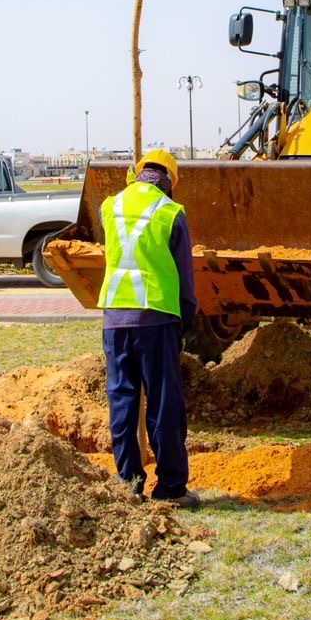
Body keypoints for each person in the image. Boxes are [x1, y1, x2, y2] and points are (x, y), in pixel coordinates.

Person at [97, 148, 200, 508]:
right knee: (163, 403)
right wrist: (186, 322)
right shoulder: (170, 213)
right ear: (170, 181)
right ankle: (171, 486)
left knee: (123, 400)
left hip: (114, 320)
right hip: (156, 318)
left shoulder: (110, 207)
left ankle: (128, 482)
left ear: (137, 174)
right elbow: (186, 279)